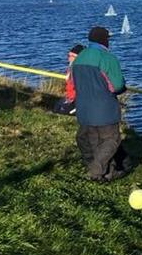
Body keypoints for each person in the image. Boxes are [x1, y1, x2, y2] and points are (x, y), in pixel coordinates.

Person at [71, 26, 128, 182]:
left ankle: (106, 172)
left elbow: (74, 83)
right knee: (111, 140)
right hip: (104, 109)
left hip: (84, 108)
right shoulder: (108, 58)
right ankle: (96, 171)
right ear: (104, 40)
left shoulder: (79, 58)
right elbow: (117, 86)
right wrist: (123, 86)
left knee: (94, 141)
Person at [53, 44, 85, 115]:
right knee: (56, 108)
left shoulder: (81, 69)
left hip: (77, 99)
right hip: (69, 97)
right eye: (69, 55)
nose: (69, 58)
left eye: (73, 56)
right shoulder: (71, 66)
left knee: (63, 112)